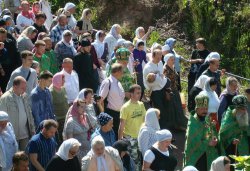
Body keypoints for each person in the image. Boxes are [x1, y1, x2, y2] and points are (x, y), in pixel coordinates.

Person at [184, 94, 219, 171]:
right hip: (198, 157)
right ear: (197, 109)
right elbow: (193, 143)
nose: (205, 111)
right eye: (202, 109)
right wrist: (208, 143)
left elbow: (208, 133)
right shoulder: (193, 123)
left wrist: (213, 130)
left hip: (209, 154)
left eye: (206, 109)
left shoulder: (206, 118)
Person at [0, 76, 35, 150]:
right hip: (12, 135)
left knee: (24, 157)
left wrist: (32, 129)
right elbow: (2, 118)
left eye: (25, 88)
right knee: (14, 158)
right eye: (22, 88)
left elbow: (29, 113)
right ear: (15, 86)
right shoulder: (5, 98)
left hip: (25, 134)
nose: (24, 90)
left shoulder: (24, 96)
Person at [118, 84, 146, 166]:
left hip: (140, 136)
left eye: (140, 93)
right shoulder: (125, 107)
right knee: (134, 160)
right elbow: (121, 125)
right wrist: (120, 140)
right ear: (131, 94)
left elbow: (144, 120)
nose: (139, 95)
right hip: (130, 138)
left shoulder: (141, 104)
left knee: (141, 158)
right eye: (137, 93)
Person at [143, 49, 170, 129]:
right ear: (153, 56)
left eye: (160, 57)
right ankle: (160, 128)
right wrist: (159, 78)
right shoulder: (148, 67)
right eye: (157, 58)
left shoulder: (160, 63)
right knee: (159, 111)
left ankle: (165, 128)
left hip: (162, 88)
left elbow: (162, 74)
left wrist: (161, 79)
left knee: (165, 108)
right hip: (155, 91)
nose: (159, 59)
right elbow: (147, 82)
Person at [99, 63, 125, 139]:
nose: (123, 73)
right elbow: (100, 100)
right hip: (110, 114)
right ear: (117, 72)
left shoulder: (119, 83)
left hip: (119, 114)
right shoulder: (107, 82)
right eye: (122, 71)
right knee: (111, 137)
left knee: (117, 136)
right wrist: (103, 114)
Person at [163, 53, 188, 130]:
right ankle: (175, 126)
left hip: (175, 89)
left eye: (174, 59)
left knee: (178, 107)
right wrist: (168, 92)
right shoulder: (165, 69)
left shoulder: (173, 67)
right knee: (172, 108)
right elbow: (164, 83)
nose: (173, 61)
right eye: (171, 59)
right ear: (167, 60)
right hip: (169, 91)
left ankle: (179, 124)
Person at [49, 72, 68, 144]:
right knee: (59, 139)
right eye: (63, 80)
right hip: (57, 119)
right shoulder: (51, 91)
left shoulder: (63, 89)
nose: (64, 81)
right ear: (58, 80)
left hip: (65, 117)